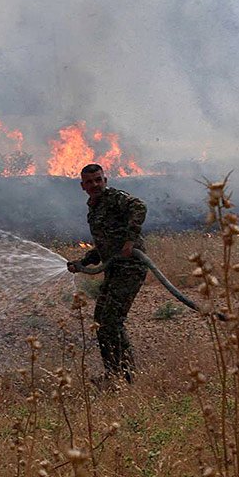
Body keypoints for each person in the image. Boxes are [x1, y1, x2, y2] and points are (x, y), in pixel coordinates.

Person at [67, 163, 147, 384]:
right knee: (101, 323)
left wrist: (130, 241)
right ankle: (115, 374)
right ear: (83, 186)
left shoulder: (114, 198)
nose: (95, 184)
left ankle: (126, 377)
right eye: (90, 182)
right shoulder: (95, 208)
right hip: (114, 269)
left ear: (105, 180)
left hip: (130, 268)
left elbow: (139, 207)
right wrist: (83, 262)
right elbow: (104, 247)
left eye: (98, 180)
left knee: (112, 321)